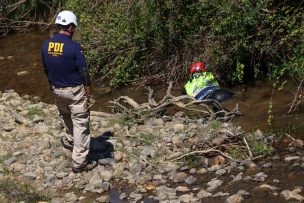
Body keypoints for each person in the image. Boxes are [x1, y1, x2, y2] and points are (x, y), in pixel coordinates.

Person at [41, 10, 97, 173]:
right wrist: (89, 93)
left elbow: (46, 68)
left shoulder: (46, 45)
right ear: (70, 27)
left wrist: (52, 85)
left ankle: (71, 139)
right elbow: (84, 72)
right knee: (81, 123)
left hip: (57, 90)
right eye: (75, 28)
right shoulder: (74, 47)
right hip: (74, 91)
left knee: (65, 115)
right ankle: (79, 162)